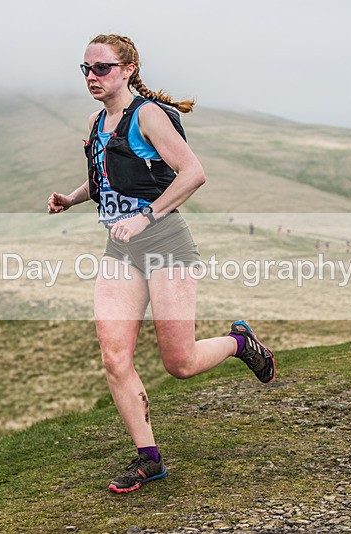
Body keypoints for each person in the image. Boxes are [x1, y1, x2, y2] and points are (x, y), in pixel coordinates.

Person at [47, 34, 275, 494]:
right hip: (121, 252)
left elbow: (194, 173)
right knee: (115, 357)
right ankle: (148, 459)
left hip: (166, 244)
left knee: (180, 363)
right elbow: (107, 177)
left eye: (102, 68)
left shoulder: (147, 116)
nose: (92, 76)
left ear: (128, 68)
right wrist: (71, 198)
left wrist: (146, 216)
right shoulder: (96, 121)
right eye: (85, 68)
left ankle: (239, 342)